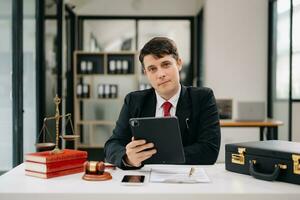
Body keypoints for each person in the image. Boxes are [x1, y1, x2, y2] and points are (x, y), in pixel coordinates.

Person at [104, 37, 221, 169]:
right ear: (146, 73)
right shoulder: (133, 101)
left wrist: (152, 156)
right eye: (152, 69)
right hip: (146, 180)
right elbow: (112, 145)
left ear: (179, 63)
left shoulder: (202, 98)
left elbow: (209, 150)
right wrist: (128, 158)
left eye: (166, 64)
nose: (160, 74)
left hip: (188, 180)